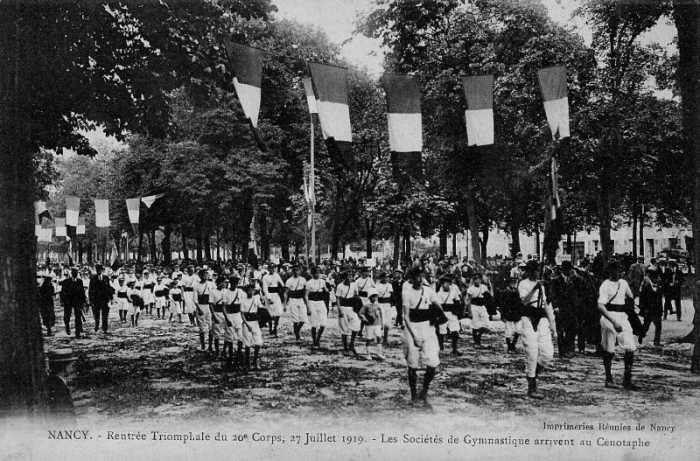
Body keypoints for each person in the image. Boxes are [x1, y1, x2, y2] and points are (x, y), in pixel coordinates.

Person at [402, 267, 445, 407]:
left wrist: (439, 316)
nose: (420, 280)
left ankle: (424, 390)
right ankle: (414, 394)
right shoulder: (407, 292)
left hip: (428, 327)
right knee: (412, 363)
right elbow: (406, 316)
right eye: (417, 277)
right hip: (412, 327)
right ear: (411, 278)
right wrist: (414, 336)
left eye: (422, 276)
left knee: (433, 360)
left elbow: (437, 305)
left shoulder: (428, 291)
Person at [518, 260, 556, 399]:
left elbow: (545, 303)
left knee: (547, 353)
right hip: (528, 317)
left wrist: (552, 324)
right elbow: (524, 301)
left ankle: (533, 374)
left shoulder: (542, 286)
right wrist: (535, 287)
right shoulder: (523, 284)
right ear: (528, 271)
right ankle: (532, 385)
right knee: (532, 352)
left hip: (541, 318)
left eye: (538, 270)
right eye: (534, 270)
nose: (536, 273)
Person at [598, 261, 638, 390]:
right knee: (608, 348)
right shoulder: (605, 285)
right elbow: (600, 306)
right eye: (617, 270)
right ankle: (608, 378)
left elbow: (630, 296)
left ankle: (627, 379)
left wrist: (631, 300)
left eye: (621, 270)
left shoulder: (623, 283)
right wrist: (613, 321)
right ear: (611, 271)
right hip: (609, 316)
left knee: (630, 347)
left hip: (622, 316)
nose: (620, 273)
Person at [549, 261, 582, 358]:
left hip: (571, 308)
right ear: (563, 270)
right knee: (560, 330)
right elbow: (553, 294)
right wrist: (555, 306)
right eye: (567, 269)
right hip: (560, 308)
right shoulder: (556, 280)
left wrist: (576, 276)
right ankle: (562, 351)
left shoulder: (574, 279)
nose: (569, 271)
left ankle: (569, 350)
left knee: (571, 329)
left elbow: (583, 284)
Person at [45, 348, 77, 423]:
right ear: (64, 367)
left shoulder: (51, 382)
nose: (72, 367)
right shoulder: (59, 388)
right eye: (70, 364)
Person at [336, 270, 362, 356]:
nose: (350, 277)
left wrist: (357, 307)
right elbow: (338, 299)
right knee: (344, 327)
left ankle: (352, 344)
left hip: (351, 307)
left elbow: (356, 295)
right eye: (348, 276)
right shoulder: (340, 286)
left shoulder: (354, 285)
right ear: (344, 277)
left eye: (351, 276)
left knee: (356, 325)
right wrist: (339, 310)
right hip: (343, 307)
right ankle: (345, 347)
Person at [436, 274, 463, 356]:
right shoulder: (439, 293)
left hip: (452, 313)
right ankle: (440, 348)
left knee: (455, 330)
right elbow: (439, 305)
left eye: (447, 283)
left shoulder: (453, 292)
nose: (445, 285)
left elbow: (458, 302)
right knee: (441, 331)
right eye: (444, 283)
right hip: (443, 313)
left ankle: (454, 349)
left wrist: (457, 312)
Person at [241, 283, 264, 371]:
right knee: (247, 343)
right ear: (246, 291)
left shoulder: (256, 299)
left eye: (253, 290)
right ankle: (247, 363)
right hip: (247, 322)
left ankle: (255, 360)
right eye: (249, 290)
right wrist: (247, 324)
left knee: (258, 341)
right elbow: (242, 314)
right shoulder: (243, 301)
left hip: (255, 322)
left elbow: (261, 309)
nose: (251, 292)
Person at [305, 266, 329, 349]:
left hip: (321, 302)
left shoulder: (322, 281)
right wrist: (308, 307)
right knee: (314, 323)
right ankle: (315, 341)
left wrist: (329, 287)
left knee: (323, 323)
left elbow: (326, 290)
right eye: (315, 272)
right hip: (312, 302)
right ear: (312, 273)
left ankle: (318, 338)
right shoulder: (309, 283)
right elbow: (306, 295)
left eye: (318, 272)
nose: (317, 274)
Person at [60, 267, 87, 339]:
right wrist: (62, 301)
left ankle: (77, 332)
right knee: (67, 316)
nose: (76, 274)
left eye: (77, 272)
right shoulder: (66, 282)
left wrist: (84, 300)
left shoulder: (79, 281)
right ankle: (67, 327)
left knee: (78, 317)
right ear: (71, 273)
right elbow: (62, 292)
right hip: (68, 302)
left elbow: (82, 292)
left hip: (77, 302)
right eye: (75, 272)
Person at [639, 269, 664, 346]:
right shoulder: (646, 284)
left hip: (657, 309)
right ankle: (641, 335)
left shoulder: (659, 283)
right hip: (648, 309)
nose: (656, 278)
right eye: (654, 277)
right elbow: (642, 297)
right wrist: (642, 308)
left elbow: (660, 298)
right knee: (646, 325)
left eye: (657, 277)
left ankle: (657, 342)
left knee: (659, 326)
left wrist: (661, 309)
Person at [193, 268, 216, 353]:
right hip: (201, 307)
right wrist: (199, 309)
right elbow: (195, 299)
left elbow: (215, 295)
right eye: (202, 274)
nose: (204, 276)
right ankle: (203, 345)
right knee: (202, 328)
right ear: (199, 275)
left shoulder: (211, 284)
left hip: (210, 307)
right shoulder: (196, 286)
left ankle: (210, 346)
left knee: (211, 327)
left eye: (206, 274)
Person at [359, 288, 385, 360]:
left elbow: (382, 314)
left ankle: (379, 353)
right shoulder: (366, 305)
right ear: (369, 297)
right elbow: (360, 313)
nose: (375, 298)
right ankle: (368, 354)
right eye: (373, 296)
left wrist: (382, 323)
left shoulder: (378, 305)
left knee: (379, 337)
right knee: (369, 339)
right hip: (369, 324)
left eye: (376, 296)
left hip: (377, 324)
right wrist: (365, 319)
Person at [466, 273, 491, 348]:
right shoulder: (471, 289)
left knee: (485, 323)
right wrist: (469, 311)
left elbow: (488, 296)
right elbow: (469, 301)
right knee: (475, 324)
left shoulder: (484, 287)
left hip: (482, 306)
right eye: (475, 279)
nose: (476, 281)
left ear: (480, 280)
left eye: (478, 279)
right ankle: (476, 342)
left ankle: (478, 338)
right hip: (474, 307)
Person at [89, 264, 114, 334]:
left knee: (105, 315)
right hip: (96, 300)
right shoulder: (93, 279)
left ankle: (105, 328)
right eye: (97, 270)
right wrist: (91, 300)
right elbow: (90, 290)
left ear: (102, 270)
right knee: (96, 314)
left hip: (105, 299)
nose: (98, 271)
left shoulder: (106, 278)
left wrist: (111, 298)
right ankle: (97, 325)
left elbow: (109, 288)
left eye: (100, 270)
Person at [262, 263, 285, 337]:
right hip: (269, 294)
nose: (272, 269)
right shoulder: (265, 277)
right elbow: (265, 288)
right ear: (268, 269)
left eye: (273, 268)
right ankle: (270, 329)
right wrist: (268, 298)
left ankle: (275, 329)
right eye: (270, 268)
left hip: (276, 295)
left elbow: (282, 284)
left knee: (278, 312)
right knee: (270, 313)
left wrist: (281, 290)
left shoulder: (277, 275)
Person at [375, 272, 394, 347]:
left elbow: (392, 295)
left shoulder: (389, 285)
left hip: (388, 304)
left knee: (387, 322)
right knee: (379, 322)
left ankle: (385, 339)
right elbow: (376, 296)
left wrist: (392, 303)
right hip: (380, 304)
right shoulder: (377, 286)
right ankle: (379, 338)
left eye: (387, 277)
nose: (387, 279)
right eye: (385, 277)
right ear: (382, 278)